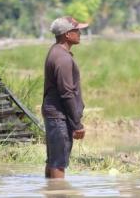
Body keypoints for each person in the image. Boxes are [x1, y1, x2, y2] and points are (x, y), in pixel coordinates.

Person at [42, 16, 88, 178]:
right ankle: (58, 192)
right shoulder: (62, 58)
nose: (80, 33)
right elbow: (66, 93)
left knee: (54, 160)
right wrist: (77, 124)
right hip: (59, 115)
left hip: (56, 114)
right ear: (67, 35)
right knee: (59, 163)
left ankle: (51, 192)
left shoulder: (56, 52)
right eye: (77, 30)